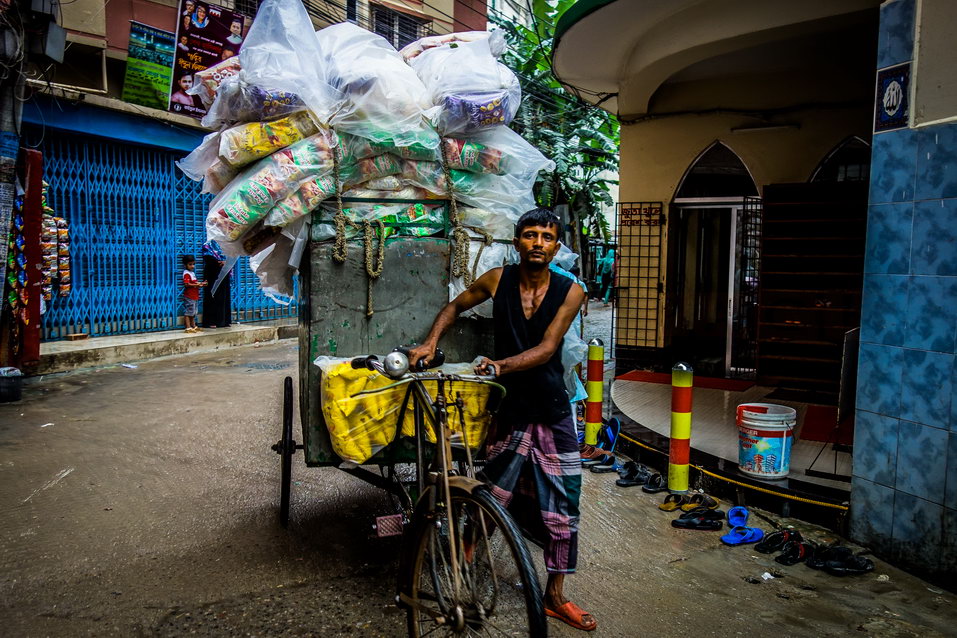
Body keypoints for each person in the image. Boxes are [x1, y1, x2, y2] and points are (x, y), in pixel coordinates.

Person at [409, 207, 595, 632]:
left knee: (563, 505)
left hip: (551, 408)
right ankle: (469, 555)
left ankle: (554, 596)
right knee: (493, 492)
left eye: (547, 238)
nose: (538, 244)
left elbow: (548, 350)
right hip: (509, 408)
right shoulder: (498, 279)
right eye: (530, 235)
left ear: (556, 245)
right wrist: (429, 341)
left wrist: (499, 366)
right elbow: (455, 305)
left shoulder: (571, 292)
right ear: (517, 242)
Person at [201, 240, 232, 329]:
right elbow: (208, 258)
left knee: (224, 296)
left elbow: (231, 258)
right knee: (212, 296)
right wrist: (219, 262)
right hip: (213, 274)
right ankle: (211, 321)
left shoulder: (225, 245)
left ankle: (224, 320)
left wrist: (226, 263)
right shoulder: (207, 245)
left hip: (224, 274)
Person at [182, 255, 207, 333]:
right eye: (190, 264)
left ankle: (194, 326)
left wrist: (201, 283)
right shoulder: (186, 273)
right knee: (188, 312)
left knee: (193, 312)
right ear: (185, 265)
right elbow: (186, 284)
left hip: (194, 295)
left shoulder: (192, 273)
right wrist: (197, 285)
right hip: (189, 296)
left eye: (193, 264)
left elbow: (194, 283)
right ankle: (188, 327)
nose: (192, 266)